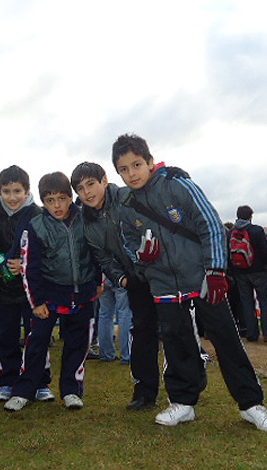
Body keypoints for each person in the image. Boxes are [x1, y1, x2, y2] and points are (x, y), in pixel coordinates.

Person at [113, 133, 267, 432]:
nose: (131, 173)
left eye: (136, 164)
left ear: (150, 161)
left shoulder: (177, 185)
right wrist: (141, 255)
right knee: (176, 344)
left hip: (202, 278)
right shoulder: (126, 206)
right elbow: (128, 243)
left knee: (226, 339)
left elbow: (211, 224)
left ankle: (252, 404)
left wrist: (215, 271)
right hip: (163, 286)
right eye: (123, 169)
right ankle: (183, 402)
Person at [4, 172, 101, 412]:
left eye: (61, 198)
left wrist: (98, 281)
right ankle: (24, 391)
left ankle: (71, 391)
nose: (56, 205)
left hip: (82, 294)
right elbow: (30, 267)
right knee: (36, 344)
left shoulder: (86, 218)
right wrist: (37, 302)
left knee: (77, 345)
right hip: (48, 296)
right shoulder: (35, 225)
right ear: (42, 201)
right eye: (49, 200)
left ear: (71, 197)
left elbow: (97, 251)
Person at [70, 161, 160, 410]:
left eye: (91, 184)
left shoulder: (127, 197)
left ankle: (187, 388)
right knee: (142, 332)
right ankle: (144, 392)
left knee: (176, 330)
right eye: (80, 188)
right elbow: (103, 258)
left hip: (160, 272)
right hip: (134, 279)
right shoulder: (86, 222)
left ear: (104, 181)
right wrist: (122, 279)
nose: (87, 192)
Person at [0, 165, 53, 402]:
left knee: (37, 337)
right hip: (3, 291)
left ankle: (41, 382)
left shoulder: (38, 215)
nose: (12, 197)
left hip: (33, 290)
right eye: (6, 191)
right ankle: (7, 381)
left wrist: (24, 265)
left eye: (17, 191)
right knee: (5, 336)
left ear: (27, 190)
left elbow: (47, 250)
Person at [228, 206, 267, 342]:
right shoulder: (256, 230)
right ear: (250, 216)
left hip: (239, 272)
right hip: (258, 271)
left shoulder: (231, 232)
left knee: (247, 303)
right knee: (265, 302)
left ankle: (252, 334)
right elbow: (265, 251)